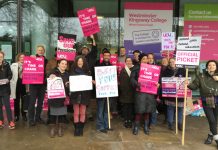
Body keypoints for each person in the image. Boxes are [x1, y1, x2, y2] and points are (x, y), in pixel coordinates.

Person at [188, 60, 218, 149]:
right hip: (207, 100)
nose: (211, 66)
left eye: (213, 65)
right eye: (209, 65)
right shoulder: (201, 76)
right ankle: (216, 139)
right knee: (211, 120)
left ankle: (210, 136)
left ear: (216, 67)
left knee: (215, 121)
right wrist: (188, 84)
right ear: (207, 66)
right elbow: (194, 86)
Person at [130, 53, 157, 135]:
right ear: (140, 60)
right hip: (140, 92)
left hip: (149, 93)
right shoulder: (136, 68)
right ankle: (136, 127)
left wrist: (157, 84)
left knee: (147, 110)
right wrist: (137, 84)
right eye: (144, 59)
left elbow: (156, 79)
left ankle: (146, 127)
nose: (145, 60)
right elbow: (132, 79)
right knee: (139, 110)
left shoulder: (152, 68)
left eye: (146, 59)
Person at [70, 56, 92, 136]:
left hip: (84, 94)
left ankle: (81, 128)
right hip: (75, 94)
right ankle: (76, 128)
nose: (80, 62)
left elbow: (89, 83)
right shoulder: (72, 71)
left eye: (81, 61)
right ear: (76, 62)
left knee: (83, 112)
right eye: (78, 61)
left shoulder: (88, 72)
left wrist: (91, 81)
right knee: (76, 112)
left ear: (84, 62)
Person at [162, 58, 185, 131]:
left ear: (176, 61)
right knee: (170, 109)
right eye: (170, 62)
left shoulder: (182, 69)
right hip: (170, 93)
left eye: (173, 61)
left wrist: (178, 79)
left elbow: (186, 79)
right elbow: (163, 80)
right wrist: (170, 79)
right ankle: (170, 124)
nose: (171, 63)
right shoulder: (166, 70)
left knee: (180, 109)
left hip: (180, 93)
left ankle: (180, 124)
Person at [48, 59, 69, 138]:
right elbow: (46, 80)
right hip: (54, 97)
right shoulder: (53, 72)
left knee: (62, 114)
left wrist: (68, 84)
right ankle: (52, 129)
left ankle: (60, 129)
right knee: (53, 114)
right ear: (58, 64)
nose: (64, 65)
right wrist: (50, 77)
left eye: (65, 64)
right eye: (62, 63)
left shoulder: (67, 74)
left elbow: (69, 86)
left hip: (63, 97)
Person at [28, 45, 48, 126]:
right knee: (32, 102)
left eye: (42, 50)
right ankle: (31, 119)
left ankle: (38, 118)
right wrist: (30, 59)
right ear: (36, 51)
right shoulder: (32, 58)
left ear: (44, 51)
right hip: (33, 84)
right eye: (39, 50)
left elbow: (48, 70)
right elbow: (27, 66)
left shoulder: (46, 60)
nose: (40, 51)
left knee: (40, 102)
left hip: (42, 84)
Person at [81, 35, 97, 121]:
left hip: (90, 81)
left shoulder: (91, 57)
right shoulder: (78, 58)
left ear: (88, 51)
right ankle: (82, 115)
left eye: (86, 49)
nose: (84, 50)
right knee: (81, 98)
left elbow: (94, 48)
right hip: (80, 82)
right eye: (83, 49)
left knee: (89, 98)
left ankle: (89, 114)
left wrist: (93, 38)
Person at [95, 49, 111, 133]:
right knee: (100, 110)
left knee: (106, 110)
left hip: (109, 92)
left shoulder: (112, 66)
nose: (107, 57)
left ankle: (106, 125)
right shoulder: (98, 66)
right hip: (101, 92)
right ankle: (100, 126)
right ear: (103, 56)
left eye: (108, 56)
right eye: (105, 56)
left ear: (110, 57)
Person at [10, 53, 27, 122]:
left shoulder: (28, 65)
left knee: (25, 100)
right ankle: (16, 115)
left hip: (25, 85)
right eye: (21, 57)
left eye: (23, 57)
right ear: (18, 58)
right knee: (16, 100)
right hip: (16, 84)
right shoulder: (13, 65)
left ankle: (24, 115)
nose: (22, 58)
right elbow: (10, 75)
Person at [0, 51, 15, 129]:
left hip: (5, 88)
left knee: (7, 106)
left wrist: (7, 80)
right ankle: (0, 121)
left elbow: (10, 75)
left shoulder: (6, 65)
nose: (0, 58)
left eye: (1, 57)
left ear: (3, 57)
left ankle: (10, 121)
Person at [119, 57, 134, 128]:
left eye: (130, 61)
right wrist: (123, 91)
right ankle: (126, 120)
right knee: (125, 108)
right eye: (127, 61)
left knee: (131, 108)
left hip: (132, 93)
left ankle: (130, 120)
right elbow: (121, 82)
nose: (129, 62)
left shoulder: (134, 70)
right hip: (125, 93)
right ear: (125, 62)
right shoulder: (123, 70)